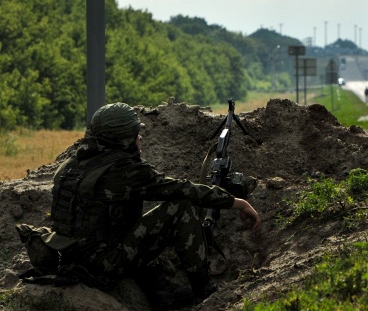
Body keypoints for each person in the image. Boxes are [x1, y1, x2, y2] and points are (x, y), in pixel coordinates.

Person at [45, 102, 261, 309]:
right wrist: (236, 202)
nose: (140, 137)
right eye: (134, 133)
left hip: (68, 257)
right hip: (102, 266)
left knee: (132, 223)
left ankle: (159, 291)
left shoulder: (72, 165)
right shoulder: (124, 171)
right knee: (181, 207)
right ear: (122, 139)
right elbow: (182, 190)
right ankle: (203, 288)